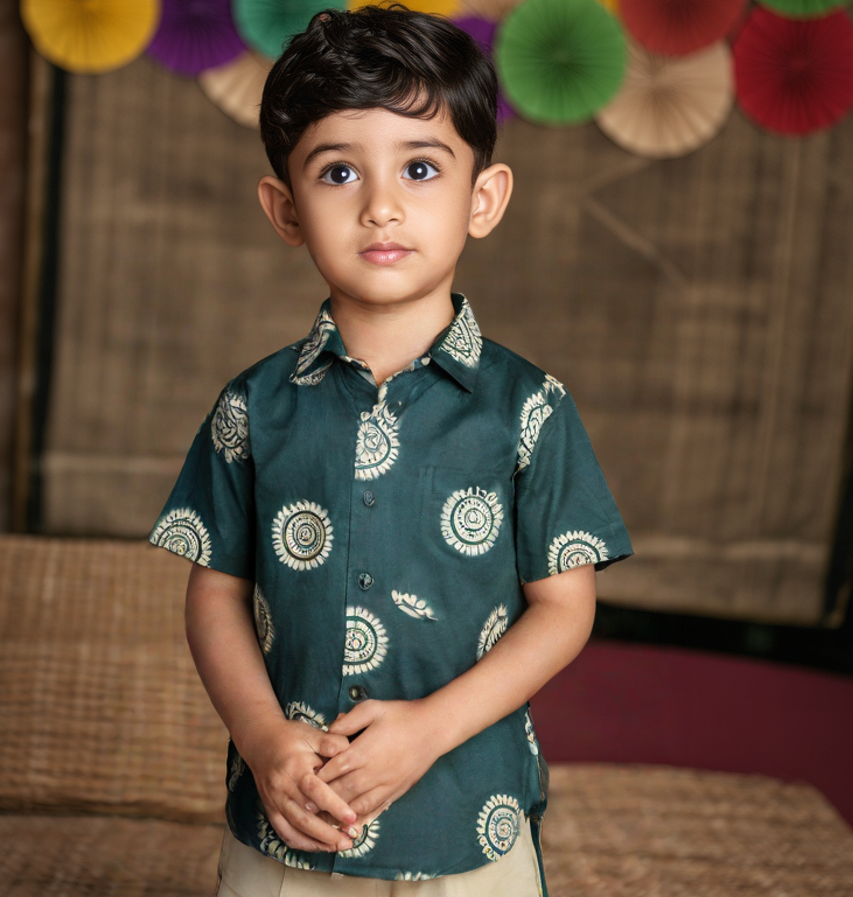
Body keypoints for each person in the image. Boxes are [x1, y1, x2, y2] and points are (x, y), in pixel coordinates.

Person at [149, 5, 632, 895]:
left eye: (420, 167)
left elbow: (564, 610)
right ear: (285, 210)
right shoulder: (251, 408)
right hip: (288, 819)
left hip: (468, 816)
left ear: (482, 198)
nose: (381, 204)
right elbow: (213, 591)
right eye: (338, 172)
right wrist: (261, 737)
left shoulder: (531, 409)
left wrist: (429, 729)